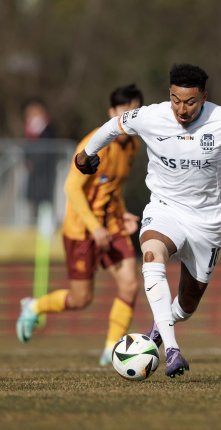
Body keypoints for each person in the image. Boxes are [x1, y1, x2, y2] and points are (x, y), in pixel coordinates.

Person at [73, 64, 221, 378]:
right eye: (176, 100)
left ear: (204, 97)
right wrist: (85, 155)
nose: (182, 109)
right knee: (152, 255)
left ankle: (158, 329)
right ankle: (172, 351)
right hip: (165, 209)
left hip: (208, 222)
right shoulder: (150, 116)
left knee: (187, 304)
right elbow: (114, 126)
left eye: (190, 102)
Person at [16, 84, 144, 366]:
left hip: (110, 224)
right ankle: (35, 306)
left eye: (136, 112)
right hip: (81, 230)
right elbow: (72, 188)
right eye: (125, 111)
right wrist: (94, 227)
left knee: (130, 284)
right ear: (112, 113)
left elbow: (113, 187)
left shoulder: (133, 145)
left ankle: (112, 349)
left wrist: (121, 214)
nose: (130, 117)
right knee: (80, 298)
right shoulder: (95, 144)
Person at [22, 97, 58, 218]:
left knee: (45, 205)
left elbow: (48, 149)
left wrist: (35, 162)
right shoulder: (29, 130)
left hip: (45, 173)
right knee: (33, 204)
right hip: (34, 175)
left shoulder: (48, 129)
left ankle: (44, 234)